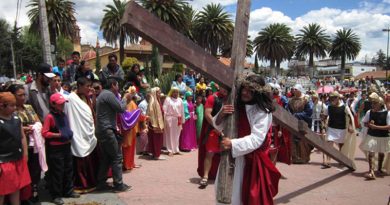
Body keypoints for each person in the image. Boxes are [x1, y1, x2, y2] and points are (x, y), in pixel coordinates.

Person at [214, 74, 281, 205]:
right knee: (223, 194)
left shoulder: (263, 112)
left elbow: (257, 139)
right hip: (231, 155)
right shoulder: (236, 104)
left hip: (250, 161)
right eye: (244, 88)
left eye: (250, 90)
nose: (245, 92)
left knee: (242, 198)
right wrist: (221, 115)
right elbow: (218, 125)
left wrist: (232, 144)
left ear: (258, 93)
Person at [9, 84, 45, 203]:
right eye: (20, 95)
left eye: (24, 94)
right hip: (18, 146)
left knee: (35, 170)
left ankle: (33, 193)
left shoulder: (28, 107)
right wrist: (22, 130)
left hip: (33, 145)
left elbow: (38, 121)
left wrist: (34, 127)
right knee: (23, 172)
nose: (23, 97)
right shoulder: (9, 111)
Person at [42, 93, 80, 205]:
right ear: (53, 104)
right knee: (57, 172)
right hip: (55, 149)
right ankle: (56, 195)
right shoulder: (50, 117)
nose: (62, 105)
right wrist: (58, 135)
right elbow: (45, 133)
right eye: (60, 104)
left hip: (66, 146)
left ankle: (68, 191)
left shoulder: (63, 114)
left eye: (63, 103)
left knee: (68, 169)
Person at [95, 77, 131, 192]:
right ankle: (118, 184)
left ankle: (101, 182)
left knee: (107, 157)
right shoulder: (108, 95)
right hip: (107, 130)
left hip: (103, 130)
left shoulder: (103, 94)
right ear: (113, 85)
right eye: (117, 85)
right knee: (116, 157)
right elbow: (121, 108)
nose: (118, 88)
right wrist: (125, 98)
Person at [63, 77, 98, 193]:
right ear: (79, 86)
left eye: (90, 86)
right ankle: (80, 184)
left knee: (90, 158)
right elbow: (70, 114)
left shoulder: (86, 97)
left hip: (87, 131)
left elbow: (90, 112)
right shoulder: (71, 99)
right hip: (77, 130)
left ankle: (90, 182)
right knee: (79, 159)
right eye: (87, 86)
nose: (89, 88)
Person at [0, 92, 31, 205]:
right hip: (3, 162)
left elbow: (22, 137)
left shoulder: (16, 119)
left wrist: (25, 154)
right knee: (1, 191)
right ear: (2, 105)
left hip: (17, 159)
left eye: (14, 105)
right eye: (11, 105)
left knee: (16, 188)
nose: (14, 108)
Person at [197, 87, 228, 186]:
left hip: (227, 131)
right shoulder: (212, 98)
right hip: (213, 130)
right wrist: (217, 127)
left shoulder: (232, 98)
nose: (225, 90)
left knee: (226, 155)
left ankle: (224, 177)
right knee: (209, 153)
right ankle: (205, 176)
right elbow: (207, 114)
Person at [360, 93, 390, 179]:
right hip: (372, 135)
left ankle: (379, 169)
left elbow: (389, 126)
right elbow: (364, 123)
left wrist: (375, 126)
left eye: (375, 103)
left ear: (380, 104)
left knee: (381, 153)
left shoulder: (387, 113)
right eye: (372, 103)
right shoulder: (369, 112)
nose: (373, 105)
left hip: (383, 136)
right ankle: (371, 171)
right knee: (371, 152)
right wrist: (369, 124)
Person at [322, 91, 354, 168]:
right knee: (329, 144)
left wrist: (350, 126)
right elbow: (325, 117)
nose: (331, 100)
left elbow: (349, 117)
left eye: (333, 98)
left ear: (337, 98)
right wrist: (323, 121)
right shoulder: (328, 107)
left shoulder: (345, 107)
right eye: (331, 98)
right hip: (331, 128)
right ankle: (328, 161)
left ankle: (341, 159)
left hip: (341, 129)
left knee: (341, 146)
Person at [286, 84, 313, 164]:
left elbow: (309, 112)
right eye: (293, 89)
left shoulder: (306, 99)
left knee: (303, 139)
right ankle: (295, 158)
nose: (294, 91)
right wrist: (290, 116)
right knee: (294, 139)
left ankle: (304, 157)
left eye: (296, 89)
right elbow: (288, 110)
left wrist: (298, 115)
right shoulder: (291, 100)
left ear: (299, 90)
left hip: (304, 122)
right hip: (294, 122)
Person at [122, 86, 141, 170]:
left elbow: (137, 115)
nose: (131, 95)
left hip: (132, 129)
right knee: (127, 147)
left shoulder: (132, 103)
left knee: (132, 147)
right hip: (127, 128)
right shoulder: (125, 104)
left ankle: (131, 163)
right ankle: (127, 164)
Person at [163, 87, 184, 156]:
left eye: (177, 92)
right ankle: (170, 150)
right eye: (174, 92)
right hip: (170, 118)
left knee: (177, 134)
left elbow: (182, 111)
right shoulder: (168, 99)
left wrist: (182, 120)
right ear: (171, 92)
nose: (176, 93)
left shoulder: (180, 100)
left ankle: (176, 149)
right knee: (170, 134)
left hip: (177, 119)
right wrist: (164, 119)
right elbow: (165, 110)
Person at [147, 87, 166, 160]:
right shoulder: (153, 102)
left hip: (156, 123)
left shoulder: (157, 101)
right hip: (155, 123)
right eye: (158, 92)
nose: (160, 94)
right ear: (154, 93)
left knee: (155, 139)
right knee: (157, 139)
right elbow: (151, 114)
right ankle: (157, 154)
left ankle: (155, 153)